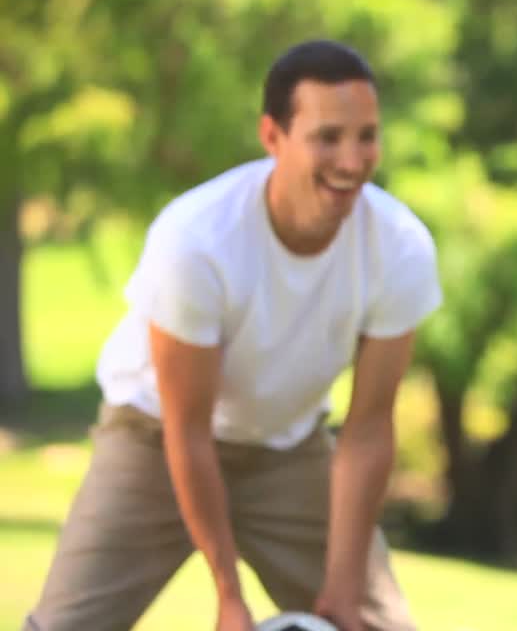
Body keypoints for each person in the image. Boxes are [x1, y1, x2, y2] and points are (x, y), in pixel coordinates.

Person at [25, 40, 441, 631]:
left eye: (367, 136)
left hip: (286, 450)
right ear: (272, 136)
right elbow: (187, 428)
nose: (352, 161)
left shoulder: (399, 247)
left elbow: (369, 427)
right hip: (156, 440)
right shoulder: (197, 242)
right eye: (328, 137)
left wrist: (345, 588)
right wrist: (228, 594)